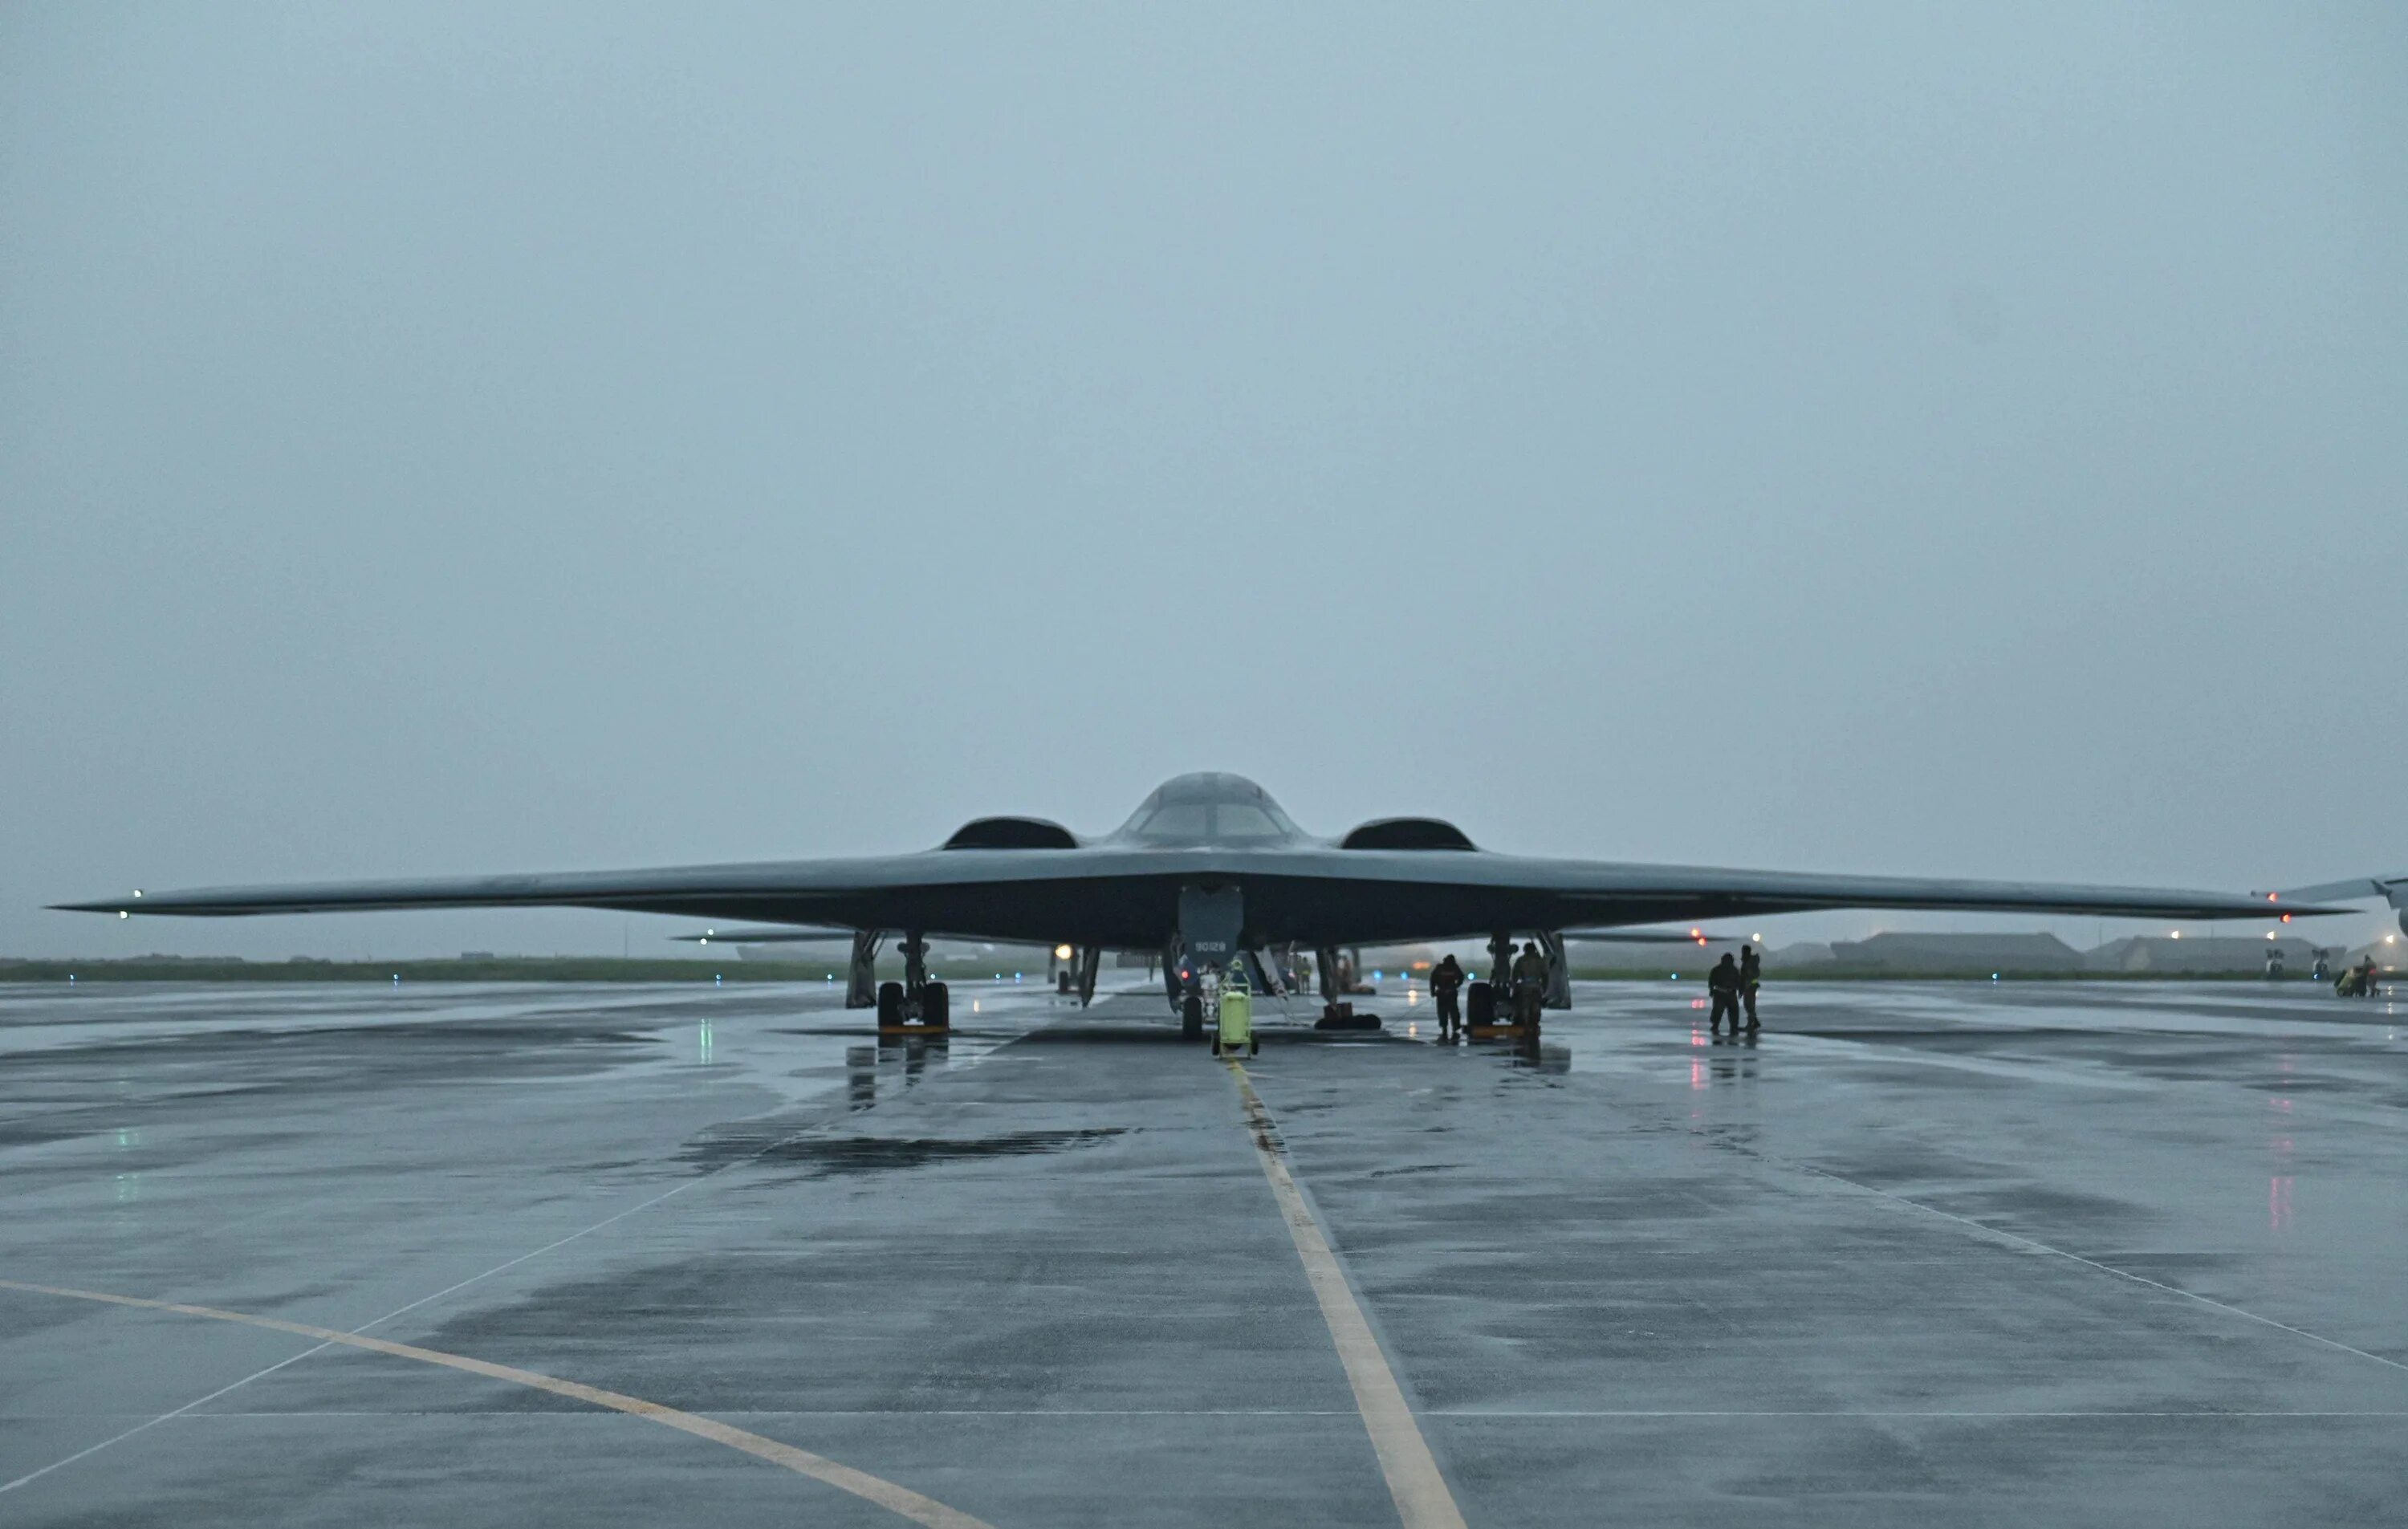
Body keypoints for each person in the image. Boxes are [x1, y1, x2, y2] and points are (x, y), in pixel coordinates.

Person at [1511, 941, 1548, 1025]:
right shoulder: (1540, 960)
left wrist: (1513, 987)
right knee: (1536, 1007)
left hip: (1524, 986)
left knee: (1523, 1007)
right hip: (1536, 986)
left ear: (1525, 950)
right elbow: (1545, 975)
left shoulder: (1521, 960)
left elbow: (1515, 974)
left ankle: (1522, 1021)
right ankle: (1533, 1024)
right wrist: (1545, 988)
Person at [1430, 954, 1466, 1039]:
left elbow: (1432, 980)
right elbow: (1461, 977)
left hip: (1443, 993)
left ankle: (1445, 1028)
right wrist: (1456, 986)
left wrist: (1433, 991)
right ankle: (1455, 1028)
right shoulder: (1454, 967)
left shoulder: (1440, 968)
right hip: (1450, 993)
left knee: (1443, 1012)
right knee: (1453, 1012)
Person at [1707, 952, 1742, 1034]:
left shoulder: (1734, 970)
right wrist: (1711, 990)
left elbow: (1739, 981)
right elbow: (1711, 981)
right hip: (1721, 993)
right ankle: (1716, 1025)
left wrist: (1740, 990)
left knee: (1733, 1012)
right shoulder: (1717, 970)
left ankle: (1733, 1026)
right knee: (1718, 1011)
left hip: (1730, 993)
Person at [1739, 943, 1763, 1031]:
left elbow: (1748, 975)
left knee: (1748, 1005)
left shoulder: (1749, 963)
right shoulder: (1749, 961)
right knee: (1750, 1005)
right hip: (1750, 986)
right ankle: (1755, 1022)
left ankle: (1750, 1024)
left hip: (1750, 986)